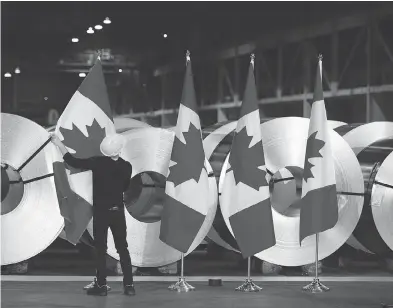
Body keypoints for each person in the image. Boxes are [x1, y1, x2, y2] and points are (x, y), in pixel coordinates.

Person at [51, 133, 135, 296]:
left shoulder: (98, 162)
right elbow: (125, 188)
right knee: (122, 248)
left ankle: (102, 286)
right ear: (119, 149)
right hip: (118, 211)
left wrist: (59, 144)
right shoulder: (127, 166)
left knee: (100, 249)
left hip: (101, 212)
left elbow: (72, 161)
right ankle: (129, 286)